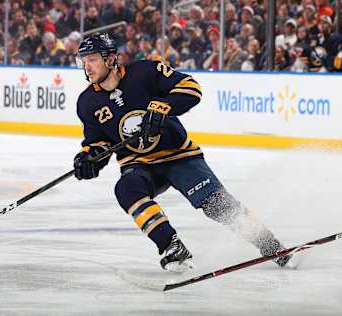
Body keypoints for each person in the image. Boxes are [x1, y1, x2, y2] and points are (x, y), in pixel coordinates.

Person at [73, 33, 292, 272]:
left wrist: (164, 107)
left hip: (178, 155)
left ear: (111, 58)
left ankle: (270, 244)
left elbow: (190, 87)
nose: (87, 65)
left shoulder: (146, 71)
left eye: (92, 59)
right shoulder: (87, 102)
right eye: (84, 60)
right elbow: (98, 142)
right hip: (138, 162)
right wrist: (89, 158)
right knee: (126, 189)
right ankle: (171, 244)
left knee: (216, 204)